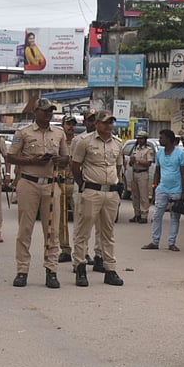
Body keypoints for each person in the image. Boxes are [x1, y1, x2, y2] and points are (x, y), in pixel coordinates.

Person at [6, 98, 69, 289]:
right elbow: (10, 156)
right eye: (44, 111)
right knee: (25, 229)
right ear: (36, 112)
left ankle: (51, 270)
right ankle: (22, 270)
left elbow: (66, 158)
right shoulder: (23, 132)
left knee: (51, 230)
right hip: (29, 183)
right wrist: (32, 161)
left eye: (50, 111)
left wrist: (60, 159)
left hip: (51, 185)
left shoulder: (59, 133)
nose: (48, 114)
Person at [70, 110, 125, 287]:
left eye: (111, 122)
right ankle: (80, 267)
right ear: (97, 124)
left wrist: (115, 186)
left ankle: (110, 269)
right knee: (83, 231)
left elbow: (118, 167)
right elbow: (75, 165)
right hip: (91, 190)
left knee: (108, 233)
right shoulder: (84, 142)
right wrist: (83, 185)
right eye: (105, 122)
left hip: (110, 193)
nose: (109, 125)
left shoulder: (117, 143)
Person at [142, 129, 184, 251]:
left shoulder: (180, 154)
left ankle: (171, 243)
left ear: (169, 139)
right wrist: (154, 186)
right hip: (162, 188)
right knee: (157, 215)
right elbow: (157, 171)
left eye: (162, 138)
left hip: (176, 190)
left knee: (174, 217)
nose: (160, 140)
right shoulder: (160, 154)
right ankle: (155, 241)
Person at [73, 109, 106, 271]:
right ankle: (81, 256)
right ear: (84, 122)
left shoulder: (110, 140)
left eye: (95, 120)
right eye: (90, 120)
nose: (92, 123)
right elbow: (75, 165)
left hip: (103, 190)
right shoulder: (79, 140)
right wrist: (81, 185)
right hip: (84, 187)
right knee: (82, 224)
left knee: (102, 225)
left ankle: (99, 255)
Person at [58, 114, 79, 263]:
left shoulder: (79, 142)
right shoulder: (58, 141)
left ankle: (81, 250)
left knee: (80, 219)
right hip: (61, 182)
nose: (71, 127)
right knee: (62, 219)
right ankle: (65, 249)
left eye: (73, 124)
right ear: (63, 125)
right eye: (68, 124)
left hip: (76, 183)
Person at [129, 130, 154, 224]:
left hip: (143, 173)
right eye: (138, 138)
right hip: (134, 172)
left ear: (145, 139)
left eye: (141, 138)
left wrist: (138, 161)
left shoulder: (148, 150)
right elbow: (131, 163)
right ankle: (137, 214)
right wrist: (132, 161)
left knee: (144, 196)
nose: (139, 140)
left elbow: (149, 163)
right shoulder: (135, 149)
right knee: (135, 195)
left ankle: (144, 215)